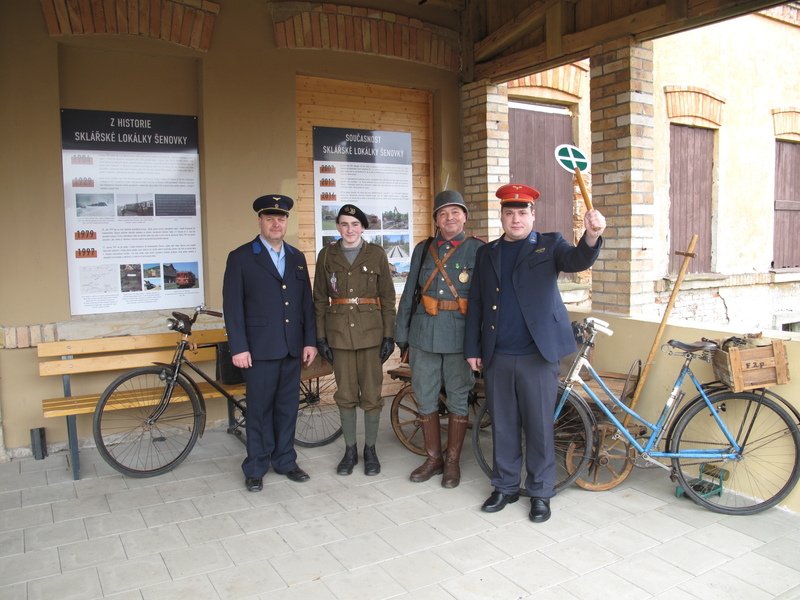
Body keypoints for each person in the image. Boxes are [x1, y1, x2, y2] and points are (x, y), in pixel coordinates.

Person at [464, 183, 605, 522]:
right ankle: (505, 486)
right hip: (498, 354)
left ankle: (541, 491)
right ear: (501, 216)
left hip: (537, 355)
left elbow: (577, 259)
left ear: (533, 215)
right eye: (509, 213)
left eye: (522, 213)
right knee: (503, 424)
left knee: (539, 426)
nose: (516, 219)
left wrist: (591, 235)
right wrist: (472, 348)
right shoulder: (487, 253)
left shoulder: (549, 244)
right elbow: (477, 302)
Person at [223, 194, 318, 492]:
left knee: (287, 408)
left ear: (287, 222)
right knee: (259, 410)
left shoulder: (296, 257)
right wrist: (239, 347)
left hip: (291, 347)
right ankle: (256, 466)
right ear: (260, 221)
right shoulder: (241, 257)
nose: (276, 224)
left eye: (281, 218)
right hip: (258, 350)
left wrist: (310, 341)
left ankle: (285, 461)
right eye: (270, 218)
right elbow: (232, 306)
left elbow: (306, 304)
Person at [395, 190, 485, 488]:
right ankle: (434, 459)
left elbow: (485, 299)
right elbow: (410, 292)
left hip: (460, 336)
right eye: (443, 214)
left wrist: (481, 342)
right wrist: (401, 335)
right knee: (425, 394)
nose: (450, 218)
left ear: (465, 217)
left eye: (455, 212)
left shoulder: (478, 250)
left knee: (458, 396)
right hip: (423, 334)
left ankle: (453, 462)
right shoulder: (423, 249)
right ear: (436, 220)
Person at [313, 204, 396, 476]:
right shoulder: (327, 255)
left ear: (362, 228)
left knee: (372, 395)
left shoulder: (376, 254)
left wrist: (389, 335)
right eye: (344, 224)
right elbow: (319, 299)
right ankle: (350, 450)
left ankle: (370, 450)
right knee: (345, 395)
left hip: (371, 334)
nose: (350, 229)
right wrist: (321, 336)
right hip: (338, 335)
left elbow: (387, 298)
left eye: (355, 224)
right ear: (338, 227)